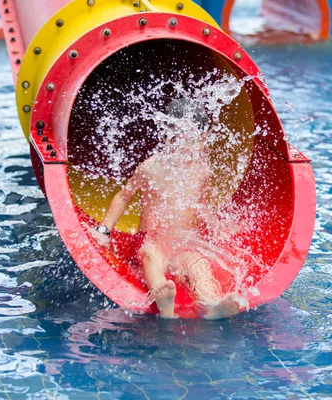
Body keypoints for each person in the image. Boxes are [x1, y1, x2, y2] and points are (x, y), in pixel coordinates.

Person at [89, 98, 241, 319]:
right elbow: (124, 196)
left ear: (203, 138)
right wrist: (104, 229)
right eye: (179, 138)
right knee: (151, 255)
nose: (185, 146)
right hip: (150, 241)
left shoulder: (202, 170)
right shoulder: (152, 167)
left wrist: (219, 227)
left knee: (197, 266)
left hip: (183, 243)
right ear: (165, 136)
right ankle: (163, 300)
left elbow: (201, 207)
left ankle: (210, 305)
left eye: (192, 139)